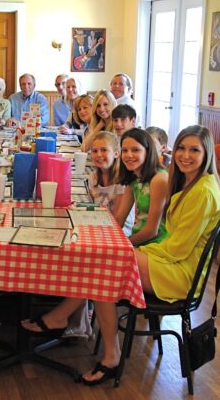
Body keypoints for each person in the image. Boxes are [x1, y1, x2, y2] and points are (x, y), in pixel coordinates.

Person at [82, 125, 220, 386]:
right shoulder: (194, 183)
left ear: (207, 154)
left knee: (103, 266)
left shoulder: (202, 192)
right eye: (181, 148)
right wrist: (134, 251)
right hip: (173, 262)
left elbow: (177, 248)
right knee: (105, 264)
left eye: (194, 150)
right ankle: (104, 348)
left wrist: (135, 251)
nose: (185, 155)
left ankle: (111, 357)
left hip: (181, 275)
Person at [115, 128, 168, 247]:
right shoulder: (134, 177)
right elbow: (120, 218)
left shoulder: (159, 179)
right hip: (139, 240)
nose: (129, 155)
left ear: (148, 152)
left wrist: (124, 245)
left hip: (158, 244)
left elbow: (151, 231)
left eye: (136, 150)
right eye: (125, 150)